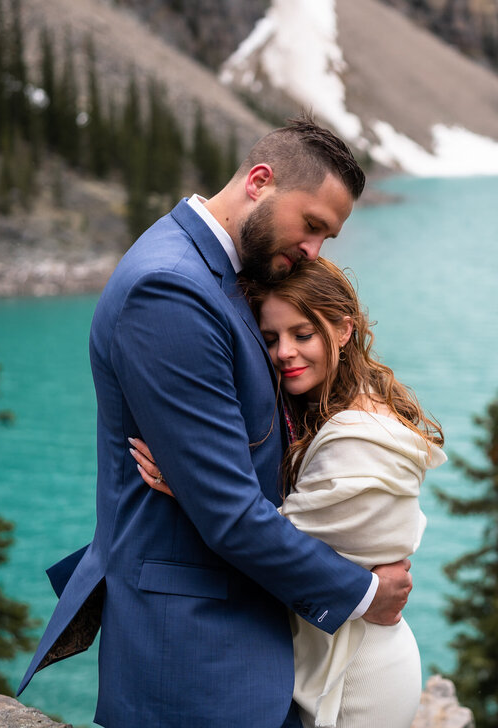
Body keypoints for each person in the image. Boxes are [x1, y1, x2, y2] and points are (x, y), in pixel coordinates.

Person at [16, 118, 414, 728]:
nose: (313, 252)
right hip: (195, 658)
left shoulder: (222, 275)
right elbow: (227, 513)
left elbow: (233, 475)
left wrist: (204, 482)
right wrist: (362, 593)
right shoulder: (170, 289)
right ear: (260, 181)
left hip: (236, 639)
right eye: (311, 226)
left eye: (326, 239)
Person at [131, 257, 446, 728]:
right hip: (332, 650)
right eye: (271, 337)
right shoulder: (320, 409)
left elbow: (270, 542)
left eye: (303, 334)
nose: (284, 353)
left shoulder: (359, 432)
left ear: (343, 330)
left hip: (360, 669)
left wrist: (195, 484)